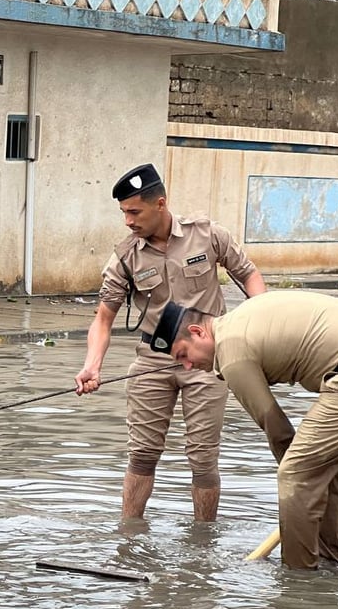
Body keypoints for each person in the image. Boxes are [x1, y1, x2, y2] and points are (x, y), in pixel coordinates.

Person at [74, 163, 266, 522]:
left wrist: (261, 320)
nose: (128, 221)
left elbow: (248, 274)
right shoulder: (126, 256)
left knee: (203, 457)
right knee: (142, 454)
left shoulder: (207, 235)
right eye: (124, 213)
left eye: (134, 212)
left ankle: (203, 541)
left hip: (208, 360)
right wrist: (92, 366)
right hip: (153, 358)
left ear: (160, 203)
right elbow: (103, 319)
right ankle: (129, 535)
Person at [154, 293, 338, 570]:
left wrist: (299, 485)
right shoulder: (241, 317)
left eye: (183, 355)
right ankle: (329, 564)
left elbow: (277, 429)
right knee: (328, 469)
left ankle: (298, 579)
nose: (187, 366)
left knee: (295, 475)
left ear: (197, 332)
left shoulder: (231, 352)